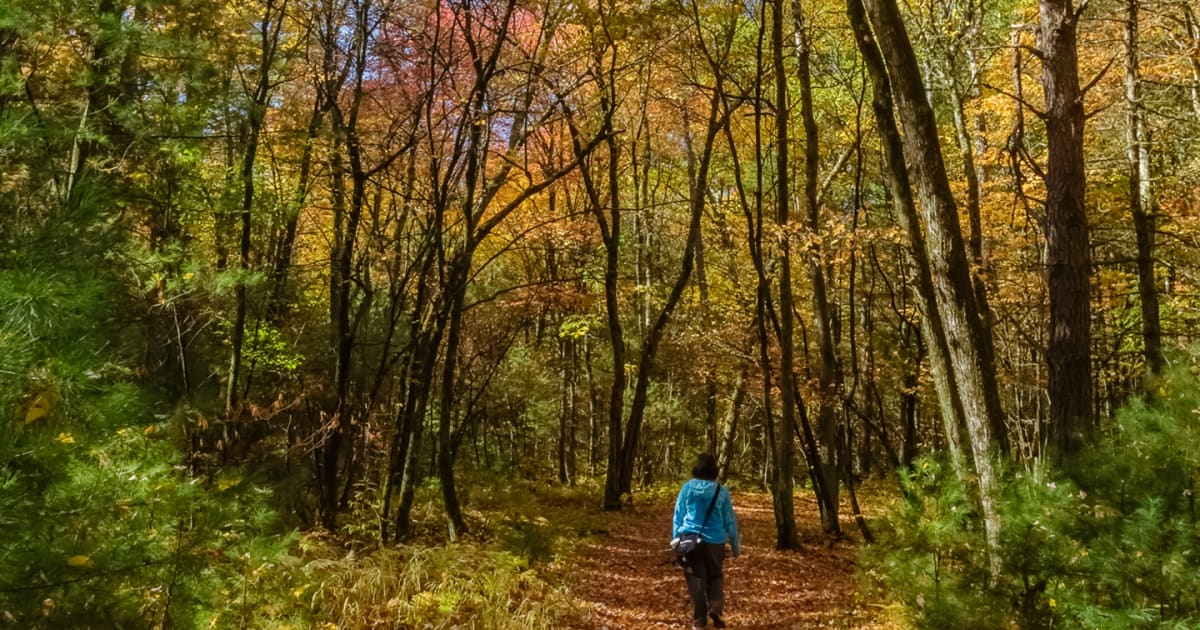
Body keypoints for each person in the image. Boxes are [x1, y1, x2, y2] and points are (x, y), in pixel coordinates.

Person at [672, 453, 741, 629]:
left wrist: (676, 541)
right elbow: (729, 520)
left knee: (696, 580)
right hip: (716, 541)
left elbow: (678, 516)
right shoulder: (721, 491)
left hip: (691, 541)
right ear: (714, 471)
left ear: (697, 469)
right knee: (715, 576)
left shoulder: (687, 488)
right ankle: (716, 609)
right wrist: (735, 546)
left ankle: (699, 621)